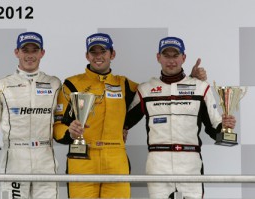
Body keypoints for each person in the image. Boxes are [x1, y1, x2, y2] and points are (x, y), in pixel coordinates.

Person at [53, 33, 206, 199]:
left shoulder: (125, 84)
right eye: (93, 52)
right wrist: (70, 133)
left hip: (116, 160)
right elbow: (58, 127)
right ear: (87, 55)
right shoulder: (71, 84)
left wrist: (189, 81)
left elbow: (160, 91)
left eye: (103, 51)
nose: (98, 56)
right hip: (82, 160)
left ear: (112, 54)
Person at [124, 36, 236, 199]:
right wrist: (120, 130)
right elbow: (124, 121)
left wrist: (225, 127)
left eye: (175, 55)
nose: (171, 61)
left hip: (190, 162)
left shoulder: (200, 87)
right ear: (158, 57)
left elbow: (214, 127)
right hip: (158, 164)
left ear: (183, 58)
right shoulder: (145, 89)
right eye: (166, 55)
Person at [0, 32, 61, 199]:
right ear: (17, 52)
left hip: (45, 156)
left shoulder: (54, 83)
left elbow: (61, 119)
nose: (30, 55)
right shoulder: (1, 85)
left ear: (42, 53)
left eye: (34, 50)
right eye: (25, 50)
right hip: (15, 157)